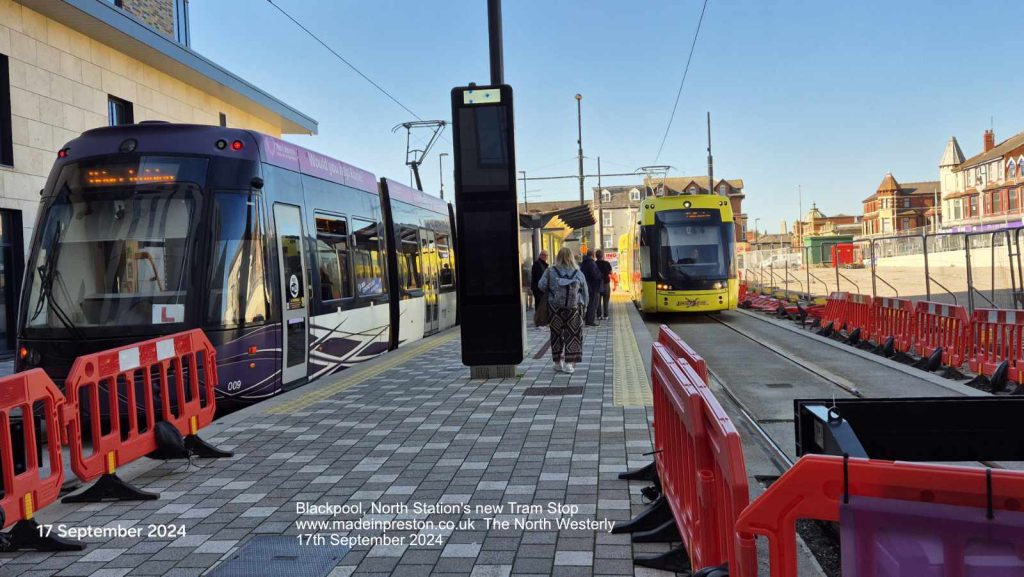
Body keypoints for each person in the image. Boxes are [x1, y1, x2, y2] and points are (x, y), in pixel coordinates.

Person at [538, 247, 588, 374]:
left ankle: (557, 363)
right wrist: (584, 306)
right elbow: (585, 292)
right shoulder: (578, 272)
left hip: (555, 309)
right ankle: (569, 364)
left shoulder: (550, 271)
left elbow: (541, 285)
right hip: (573, 309)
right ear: (571, 257)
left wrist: (552, 292)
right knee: (573, 335)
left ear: (558, 257)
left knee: (556, 335)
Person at [580, 251, 602, 326]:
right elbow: (595, 275)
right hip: (593, 286)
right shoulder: (591, 263)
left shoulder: (583, 263)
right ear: (593, 255)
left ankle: (587, 319)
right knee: (593, 304)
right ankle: (590, 321)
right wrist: (600, 274)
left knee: (588, 303)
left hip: (586, 285)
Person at [530, 250, 549, 325]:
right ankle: (539, 321)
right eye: (544, 255)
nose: (545, 257)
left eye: (546, 255)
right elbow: (538, 277)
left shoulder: (544, 264)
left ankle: (541, 320)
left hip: (540, 288)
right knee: (539, 305)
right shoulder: (537, 264)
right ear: (540, 255)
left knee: (541, 305)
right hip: (538, 288)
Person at [595, 250, 613, 320]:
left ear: (596, 256)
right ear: (602, 256)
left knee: (598, 301)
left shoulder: (594, 263)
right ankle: (606, 315)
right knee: (606, 301)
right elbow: (611, 272)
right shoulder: (606, 263)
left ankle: (599, 315)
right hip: (606, 284)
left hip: (597, 284)